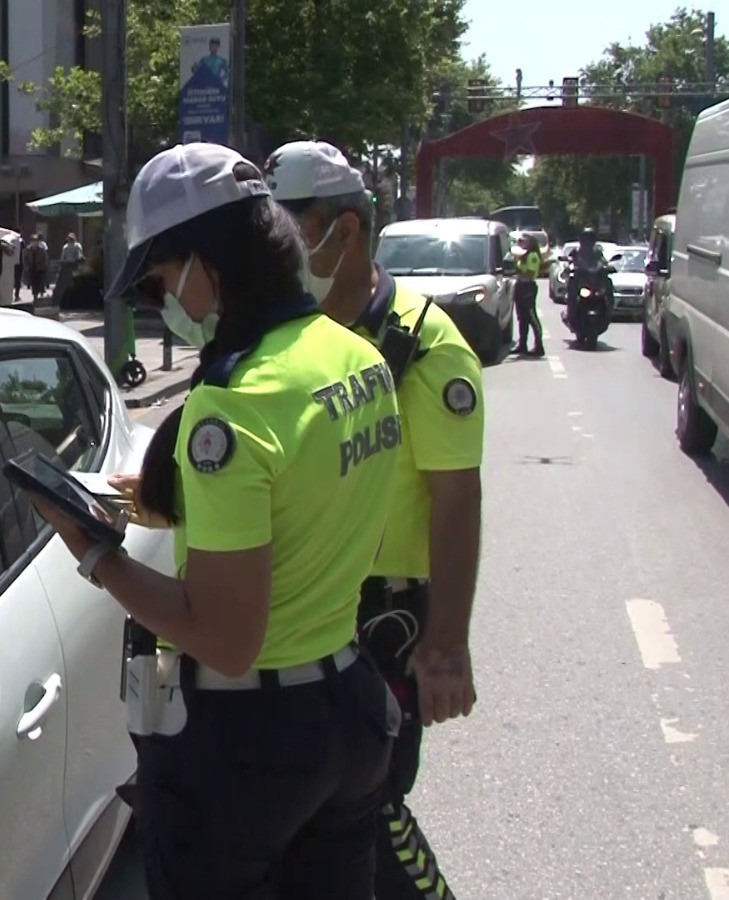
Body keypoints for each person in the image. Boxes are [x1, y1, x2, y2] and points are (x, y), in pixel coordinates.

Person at [24, 142, 403, 897]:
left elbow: (228, 641)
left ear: (207, 263)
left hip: (253, 746)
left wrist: (97, 554)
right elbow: (305, 503)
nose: (167, 298)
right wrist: (170, 503)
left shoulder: (230, 410)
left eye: (164, 277)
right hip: (350, 708)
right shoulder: (356, 358)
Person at [266, 139, 482, 900]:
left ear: (346, 230)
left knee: (371, 810)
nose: (279, 249)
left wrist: (446, 644)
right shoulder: (287, 335)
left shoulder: (424, 347)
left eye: (293, 230)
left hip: (380, 619)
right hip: (295, 607)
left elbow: (457, 499)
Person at [511, 233, 545, 357]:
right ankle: (522, 345)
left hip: (528, 288)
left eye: (523, 241)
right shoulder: (522, 256)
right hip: (520, 286)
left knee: (532, 317)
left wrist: (517, 272)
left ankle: (539, 346)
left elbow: (530, 274)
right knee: (522, 318)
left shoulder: (532, 256)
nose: (520, 243)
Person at [24, 231, 50, 301]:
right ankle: (35, 295)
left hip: (40, 268)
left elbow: (45, 258)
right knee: (33, 282)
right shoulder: (28, 249)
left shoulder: (41, 249)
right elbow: (25, 258)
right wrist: (27, 266)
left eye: (36, 241)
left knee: (39, 281)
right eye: (33, 241)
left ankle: (39, 293)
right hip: (31, 268)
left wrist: (44, 266)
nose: (34, 243)